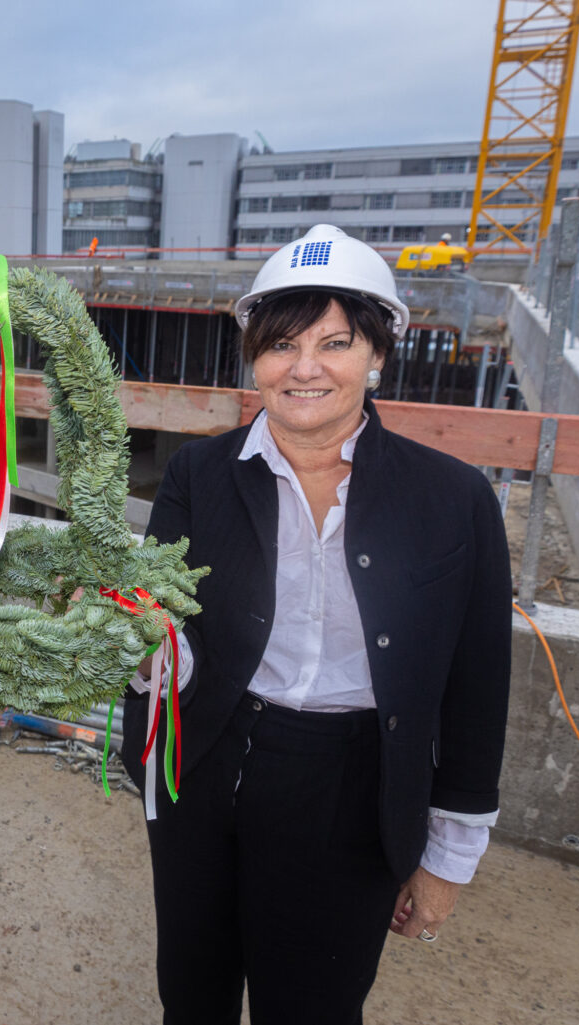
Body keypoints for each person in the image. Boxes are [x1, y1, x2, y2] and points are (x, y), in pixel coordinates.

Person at [126, 223, 512, 1024]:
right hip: (205, 763)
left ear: (377, 353)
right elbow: (171, 640)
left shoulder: (453, 499)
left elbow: (477, 692)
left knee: (315, 1004)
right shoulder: (198, 475)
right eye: (281, 345)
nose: (304, 368)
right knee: (190, 990)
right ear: (253, 359)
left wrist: (447, 859)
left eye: (335, 343)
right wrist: (132, 642)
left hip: (352, 783)